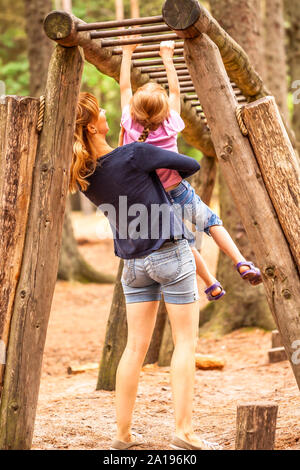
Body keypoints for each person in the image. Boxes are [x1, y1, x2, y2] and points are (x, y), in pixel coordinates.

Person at [70, 92, 222, 450]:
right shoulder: (135, 154)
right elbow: (190, 164)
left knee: (133, 349)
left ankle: (122, 435)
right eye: (101, 111)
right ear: (93, 126)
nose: (109, 112)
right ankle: (183, 432)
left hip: (133, 266)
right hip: (171, 253)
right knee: (185, 343)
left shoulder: (85, 175)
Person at [119, 40, 262, 301]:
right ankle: (241, 261)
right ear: (164, 112)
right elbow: (176, 91)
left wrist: (127, 53)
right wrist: (167, 56)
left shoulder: (129, 125)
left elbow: (125, 87)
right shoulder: (171, 123)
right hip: (177, 189)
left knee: (182, 242)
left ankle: (210, 282)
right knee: (211, 222)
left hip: (152, 200)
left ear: (134, 110)